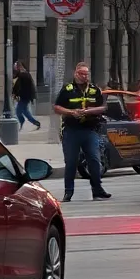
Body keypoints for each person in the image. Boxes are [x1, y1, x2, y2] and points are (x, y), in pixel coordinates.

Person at [52, 62, 112, 203]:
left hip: (90, 130)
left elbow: (103, 108)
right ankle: (68, 192)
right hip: (71, 131)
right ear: (75, 74)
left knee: (94, 160)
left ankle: (97, 190)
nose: (84, 77)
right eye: (81, 74)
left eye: (86, 74)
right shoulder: (67, 89)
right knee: (71, 162)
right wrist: (72, 112)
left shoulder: (94, 90)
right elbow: (56, 108)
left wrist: (88, 111)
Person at [12, 62, 41, 130]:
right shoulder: (23, 74)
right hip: (25, 96)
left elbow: (20, 86)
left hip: (25, 97)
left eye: (15, 67)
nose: (14, 68)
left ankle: (22, 121)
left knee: (18, 111)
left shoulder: (24, 75)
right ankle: (36, 123)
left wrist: (16, 94)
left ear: (19, 67)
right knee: (25, 112)